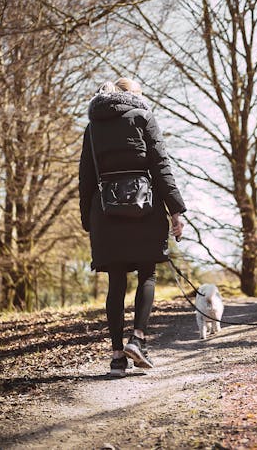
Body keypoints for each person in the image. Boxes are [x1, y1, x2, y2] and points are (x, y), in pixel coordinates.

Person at [79, 78, 186, 377]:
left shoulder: (92, 127)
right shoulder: (143, 117)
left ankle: (116, 358)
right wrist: (176, 210)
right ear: (133, 96)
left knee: (116, 282)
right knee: (147, 274)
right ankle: (137, 339)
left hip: (106, 212)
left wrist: (88, 220)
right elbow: (161, 166)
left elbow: (85, 177)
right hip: (144, 208)